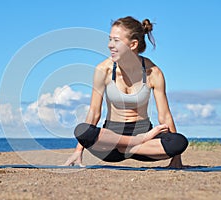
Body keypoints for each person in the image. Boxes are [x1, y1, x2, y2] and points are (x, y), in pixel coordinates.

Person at [64, 16, 188, 168]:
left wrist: (176, 159)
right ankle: (132, 143)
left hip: (142, 142)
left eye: (116, 40)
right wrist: (78, 150)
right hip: (112, 143)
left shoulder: (153, 73)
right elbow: (94, 113)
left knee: (179, 142)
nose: (110, 45)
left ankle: (129, 146)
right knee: (82, 130)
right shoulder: (103, 70)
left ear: (133, 44)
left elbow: (165, 115)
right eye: (110, 40)